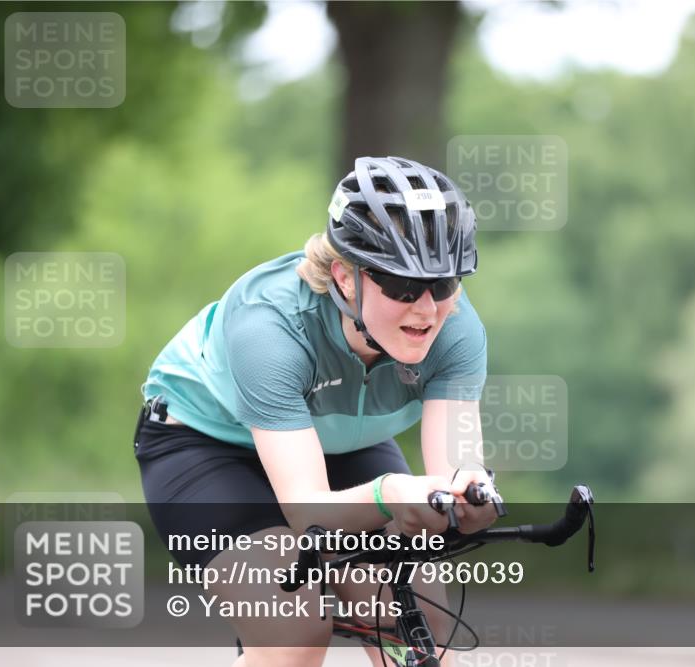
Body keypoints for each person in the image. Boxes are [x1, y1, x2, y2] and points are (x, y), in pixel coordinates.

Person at [133, 156, 496, 667]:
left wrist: (468, 496)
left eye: (445, 284)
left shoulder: (455, 330)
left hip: (341, 444)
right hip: (206, 447)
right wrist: (392, 493)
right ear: (345, 277)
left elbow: (454, 471)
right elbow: (308, 511)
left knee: (422, 619)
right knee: (293, 630)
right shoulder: (270, 326)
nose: (427, 309)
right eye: (402, 286)